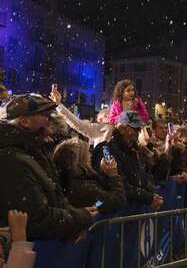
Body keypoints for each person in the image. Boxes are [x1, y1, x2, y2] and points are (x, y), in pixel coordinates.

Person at [0, 94, 97, 240]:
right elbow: (37, 220)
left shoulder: (33, 152)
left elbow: (56, 199)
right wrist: (81, 217)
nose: (50, 121)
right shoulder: (11, 158)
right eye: (45, 115)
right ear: (25, 121)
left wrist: (74, 225)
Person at [93, 111, 163, 211]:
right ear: (121, 129)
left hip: (131, 209)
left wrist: (151, 195)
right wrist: (147, 197)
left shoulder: (134, 150)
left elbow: (141, 177)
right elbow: (116, 184)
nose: (138, 132)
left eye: (138, 129)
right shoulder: (105, 149)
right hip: (113, 211)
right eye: (134, 128)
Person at [51, 138, 126, 214]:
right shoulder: (83, 186)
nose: (90, 155)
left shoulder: (68, 179)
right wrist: (113, 175)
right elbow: (116, 201)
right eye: (88, 153)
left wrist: (104, 173)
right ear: (80, 160)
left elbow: (101, 200)